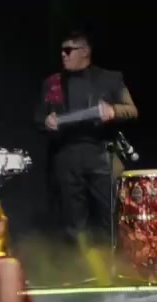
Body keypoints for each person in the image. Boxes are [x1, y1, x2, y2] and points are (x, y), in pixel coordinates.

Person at [35, 30, 139, 256]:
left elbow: (132, 110)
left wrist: (113, 111)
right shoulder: (52, 82)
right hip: (66, 157)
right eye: (61, 51)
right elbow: (38, 117)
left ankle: (113, 263)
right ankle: (80, 267)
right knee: (73, 223)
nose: (63, 55)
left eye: (68, 50)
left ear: (84, 52)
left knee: (109, 215)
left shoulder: (110, 78)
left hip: (101, 153)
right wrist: (46, 121)